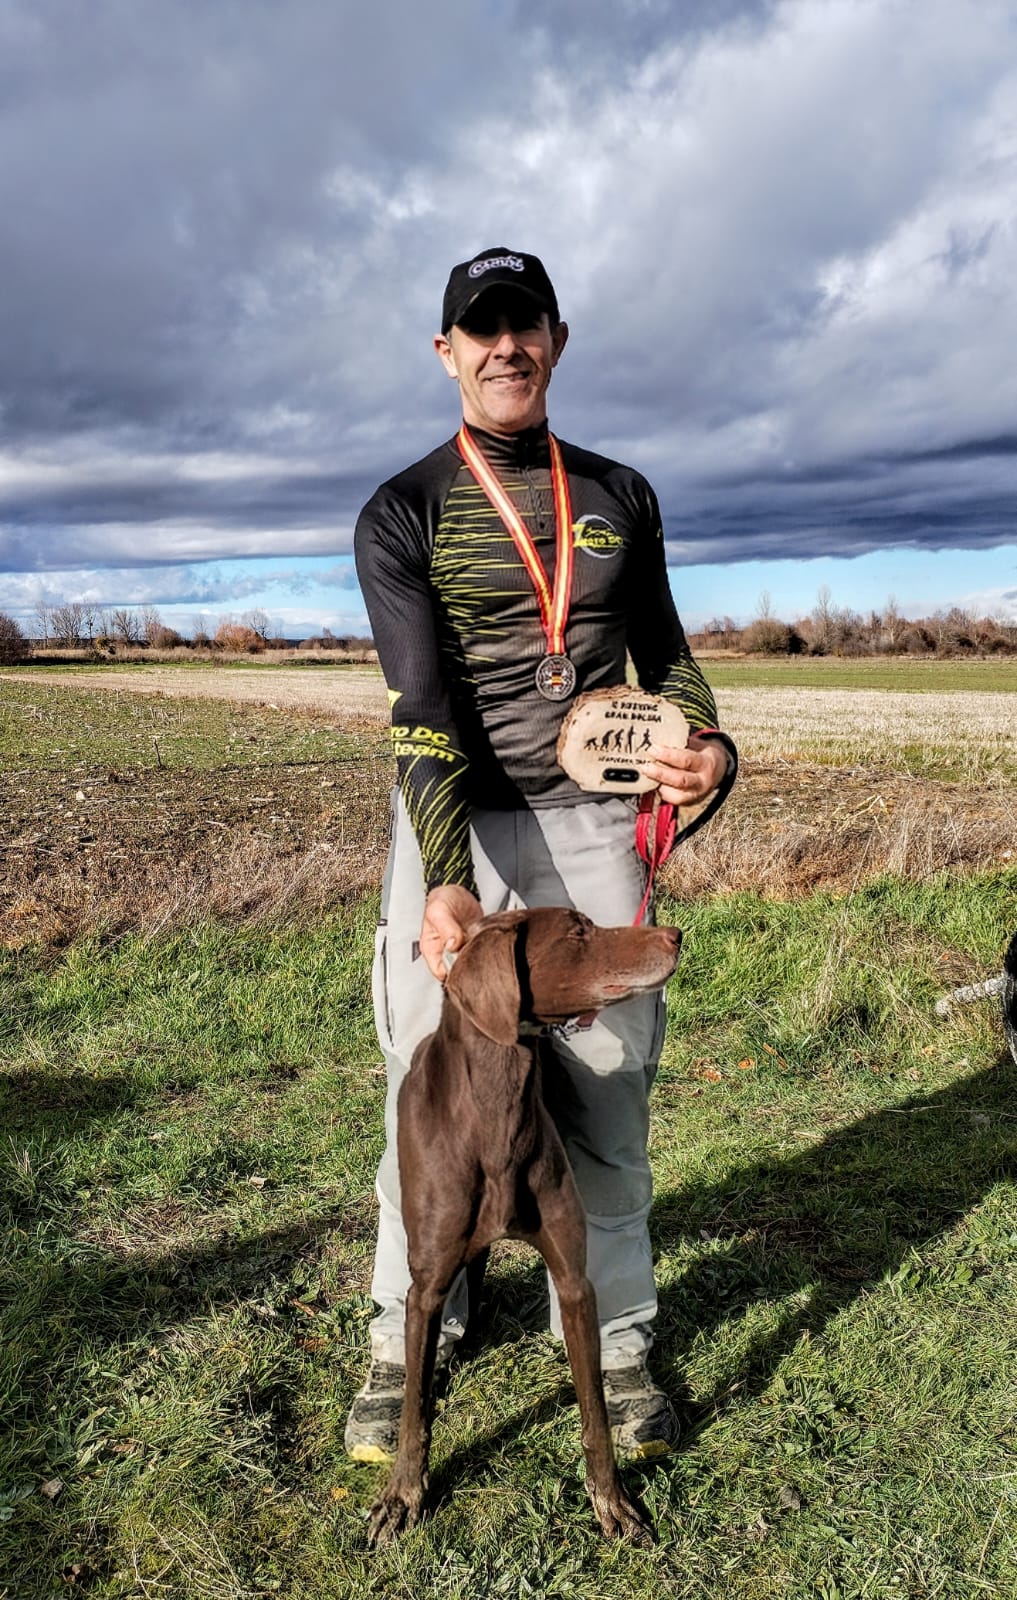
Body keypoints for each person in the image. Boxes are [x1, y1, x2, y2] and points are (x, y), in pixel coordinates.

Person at [347, 247, 737, 1463]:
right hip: (452, 822)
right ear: (447, 351)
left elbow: (664, 654)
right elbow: (419, 707)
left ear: (557, 340)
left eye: (526, 324)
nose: (506, 344)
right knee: (428, 1080)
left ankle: (618, 1342)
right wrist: (449, 869)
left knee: (610, 1090)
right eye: (482, 327)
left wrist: (713, 746)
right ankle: (408, 1318)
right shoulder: (403, 510)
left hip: (591, 833)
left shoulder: (621, 491)